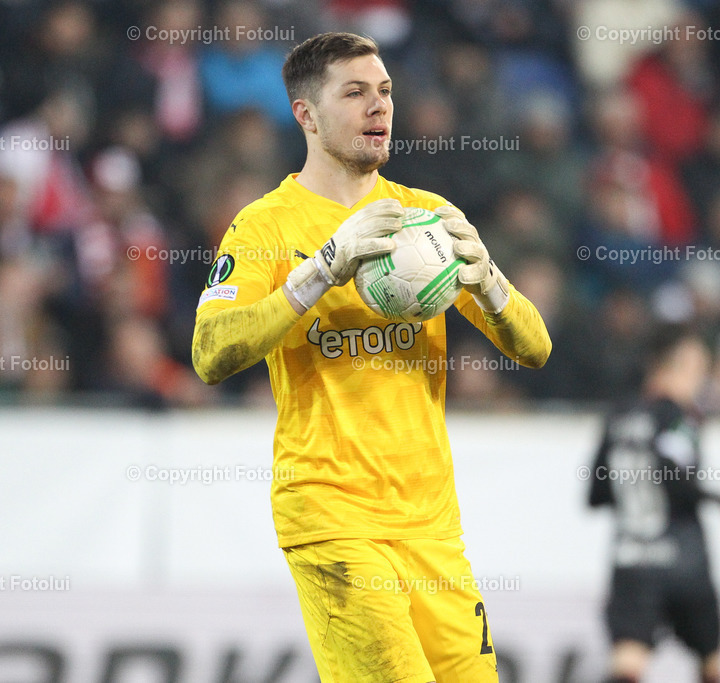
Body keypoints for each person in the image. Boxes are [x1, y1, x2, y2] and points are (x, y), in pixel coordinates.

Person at [191, 32, 551, 682]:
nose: (377, 107)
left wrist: (490, 281)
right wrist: (322, 269)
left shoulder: (427, 218)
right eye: (354, 93)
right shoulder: (264, 227)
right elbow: (210, 352)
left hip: (431, 524)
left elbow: (535, 349)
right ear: (306, 114)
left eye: (384, 91)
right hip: (332, 515)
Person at [587, 325, 720, 683]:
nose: (701, 380)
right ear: (673, 368)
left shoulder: (617, 417)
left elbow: (596, 494)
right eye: (697, 369)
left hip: (632, 561)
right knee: (712, 663)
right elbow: (675, 477)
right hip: (683, 559)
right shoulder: (680, 418)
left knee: (627, 662)